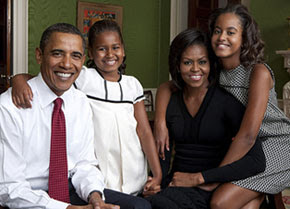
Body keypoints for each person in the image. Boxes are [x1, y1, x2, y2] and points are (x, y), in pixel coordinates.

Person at [154, 4, 290, 209]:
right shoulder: (215, 69)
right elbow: (168, 86)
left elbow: (247, 136)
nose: (222, 37)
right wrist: (160, 122)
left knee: (220, 201)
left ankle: (259, 195)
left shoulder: (258, 72)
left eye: (231, 32)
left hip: (277, 145)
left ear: (244, 37)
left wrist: (211, 178)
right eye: (217, 31)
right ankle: (257, 198)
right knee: (243, 201)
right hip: (251, 148)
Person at [10, 20, 162, 198]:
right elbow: (47, 78)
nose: (110, 54)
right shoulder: (84, 77)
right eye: (102, 49)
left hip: (134, 169)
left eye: (115, 47)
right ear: (89, 53)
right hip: (101, 172)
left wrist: (157, 174)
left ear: (123, 49)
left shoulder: (132, 85)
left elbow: (143, 131)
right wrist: (17, 79)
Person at [0, 23, 118, 209]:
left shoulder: (80, 101)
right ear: (39, 55)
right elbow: (9, 188)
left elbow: (85, 164)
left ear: (83, 60)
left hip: (71, 188)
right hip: (28, 197)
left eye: (75, 56)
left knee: (138, 206)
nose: (67, 64)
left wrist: (95, 197)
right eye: (57, 53)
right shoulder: (8, 107)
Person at [145, 28, 266, 209]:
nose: (195, 69)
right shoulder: (171, 100)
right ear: (177, 65)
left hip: (210, 186)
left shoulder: (226, 101)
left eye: (202, 62)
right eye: (187, 62)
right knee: (144, 202)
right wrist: (156, 182)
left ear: (211, 64)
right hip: (176, 184)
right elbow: (164, 153)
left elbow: (256, 161)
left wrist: (203, 178)